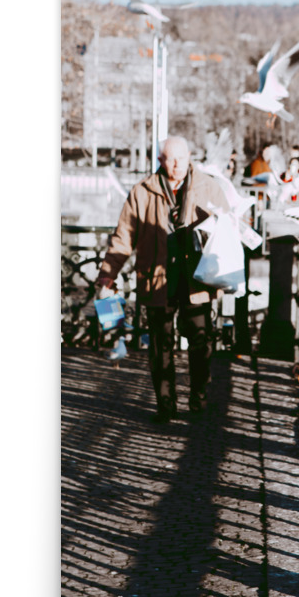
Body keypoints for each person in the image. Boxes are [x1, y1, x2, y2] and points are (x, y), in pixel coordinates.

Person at [94, 136, 230, 421]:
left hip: (196, 280)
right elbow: (123, 237)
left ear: (190, 156)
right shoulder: (142, 191)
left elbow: (227, 230)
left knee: (201, 342)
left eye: (182, 158)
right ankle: (165, 405)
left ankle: (199, 398)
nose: (177, 164)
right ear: (160, 160)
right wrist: (108, 275)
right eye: (171, 159)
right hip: (156, 280)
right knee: (160, 345)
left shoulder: (209, 187)